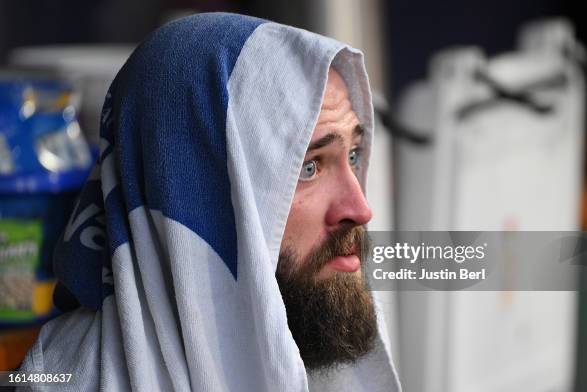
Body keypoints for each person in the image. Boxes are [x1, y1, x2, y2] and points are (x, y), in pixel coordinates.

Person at [18, 13, 400, 391]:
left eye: (353, 155)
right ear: (200, 194)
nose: (360, 209)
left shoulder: (303, 347)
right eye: (309, 167)